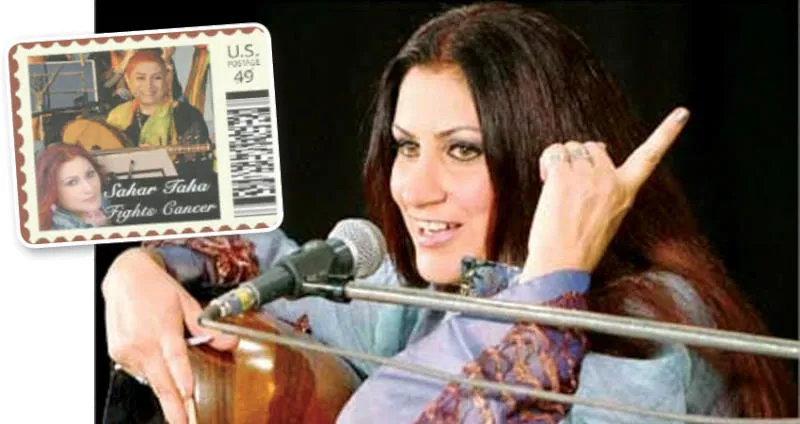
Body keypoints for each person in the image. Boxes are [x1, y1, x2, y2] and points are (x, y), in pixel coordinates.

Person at [100, 3, 797, 423]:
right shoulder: (436, 289)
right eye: (407, 147)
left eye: (463, 150)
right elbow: (274, 263)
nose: (415, 189)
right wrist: (140, 268)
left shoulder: (646, 333)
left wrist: (552, 280)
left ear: (541, 162)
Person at [104, 49, 213, 174]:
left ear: (166, 79)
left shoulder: (187, 114)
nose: (149, 85)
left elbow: (199, 167)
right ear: (128, 80)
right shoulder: (115, 117)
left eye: (157, 78)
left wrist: (158, 159)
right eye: (140, 78)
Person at [36, 143, 111, 230]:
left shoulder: (102, 207)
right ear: (52, 190)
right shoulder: (61, 230)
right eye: (72, 182)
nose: (89, 188)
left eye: (90, 174)